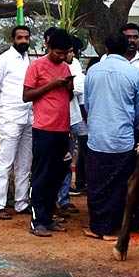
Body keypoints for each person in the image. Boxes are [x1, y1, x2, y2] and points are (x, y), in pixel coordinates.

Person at [82, 33, 139, 240]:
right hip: (123, 138)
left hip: (97, 137)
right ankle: (112, 229)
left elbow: (88, 104)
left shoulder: (92, 71)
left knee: (96, 184)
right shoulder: (135, 73)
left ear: (106, 49)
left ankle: (96, 227)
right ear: (126, 49)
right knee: (119, 185)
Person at [24, 28, 76, 237]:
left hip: (63, 129)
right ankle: (37, 221)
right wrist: (51, 85)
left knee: (58, 174)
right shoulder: (36, 66)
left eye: (65, 53)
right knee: (41, 175)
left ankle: (48, 217)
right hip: (44, 128)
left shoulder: (65, 67)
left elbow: (68, 98)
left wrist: (68, 87)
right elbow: (26, 95)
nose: (62, 57)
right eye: (58, 53)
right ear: (48, 47)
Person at [0, 26, 34, 220]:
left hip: (29, 116)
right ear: (12, 39)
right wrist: (2, 108)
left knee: (24, 163)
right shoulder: (4, 59)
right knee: (5, 162)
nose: (23, 41)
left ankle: (21, 202)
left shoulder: (29, 59)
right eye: (20, 37)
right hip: (10, 117)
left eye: (26, 37)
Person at [58, 35, 88, 213]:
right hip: (53, 121)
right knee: (53, 162)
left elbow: (78, 88)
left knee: (67, 162)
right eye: (68, 51)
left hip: (73, 118)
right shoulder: (48, 65)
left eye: (71, 51)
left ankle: (63, 199)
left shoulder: (74, 64)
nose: (70, 54)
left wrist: (59, 87)